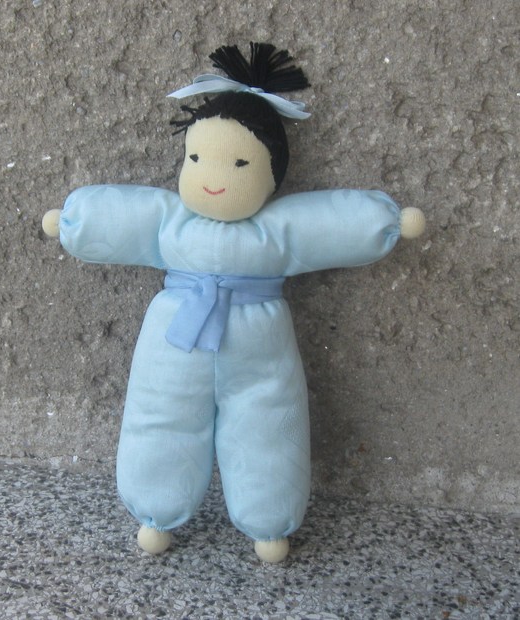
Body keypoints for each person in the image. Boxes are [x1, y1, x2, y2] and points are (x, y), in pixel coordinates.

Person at [42, 43, 425, 563]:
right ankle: (154, 511)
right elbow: (122, 217)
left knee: (268, 425)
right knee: (159, 416)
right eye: (196, 158)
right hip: (176, 342)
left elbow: (326, 224)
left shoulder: (276, 230)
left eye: (240, 162)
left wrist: (385, 223)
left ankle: (269, 522)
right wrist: (73, 223)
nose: (212, 176)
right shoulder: (171, 223)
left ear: (271, 171)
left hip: (257, 348)